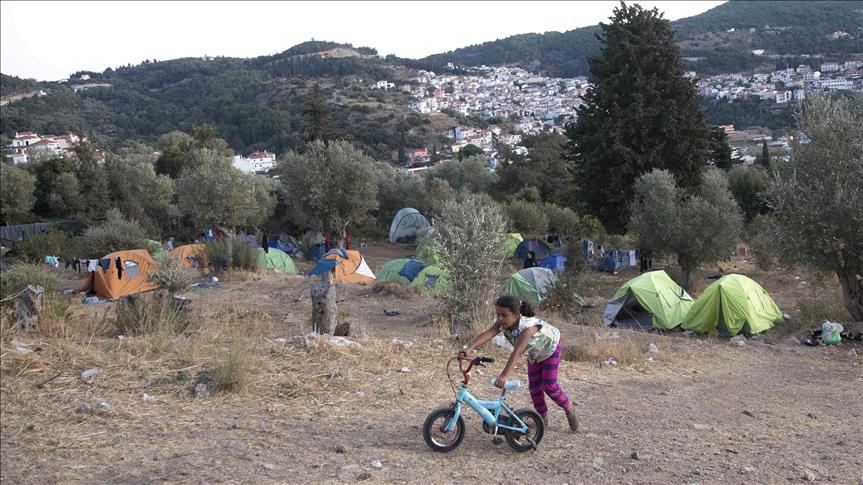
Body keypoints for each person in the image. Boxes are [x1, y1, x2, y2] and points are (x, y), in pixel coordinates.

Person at [460, 295, 578, 431]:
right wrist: (469, 348)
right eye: (497, 314)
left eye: (504, 315)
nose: (499, 318)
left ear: (516, 315)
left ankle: (568, 407)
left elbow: (517, 352)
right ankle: (541, 419)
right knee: (534, 388)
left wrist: (504, 375)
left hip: (550, 348)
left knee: (549, 386)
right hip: (534, 353)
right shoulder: (503, 322)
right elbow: (489, 332)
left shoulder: (527, 328)